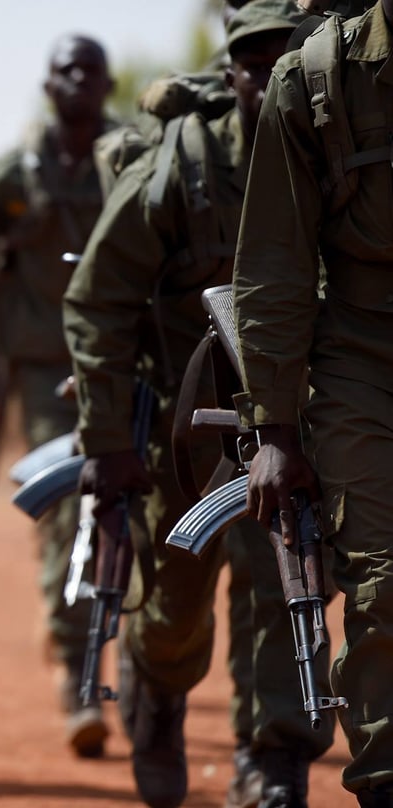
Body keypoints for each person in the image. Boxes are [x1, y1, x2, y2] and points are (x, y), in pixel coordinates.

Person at [63, 3, 333, 807]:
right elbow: (96, 301)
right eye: (255, 63)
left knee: (282, 583)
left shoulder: (336, 154)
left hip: (291, 419)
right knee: (173, 606)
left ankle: (271, 761)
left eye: (288, 58)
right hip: (183, 430)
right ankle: (157, 696)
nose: (272, 75)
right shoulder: (182, 166)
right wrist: (108, 440)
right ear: (231, 75)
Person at [0, 33, 115, 758]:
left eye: (89, 71)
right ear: (47, 86)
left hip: (127, 373)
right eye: (63, 70)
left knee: (135, 521)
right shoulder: (11, 178)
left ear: (105, 87)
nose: (76, 82)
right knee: (67, 518)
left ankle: (136, 668)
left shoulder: (129, 163)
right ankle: (79, 677)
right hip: (43, 379)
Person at [233, 0, 393, 804]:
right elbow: (273, 261)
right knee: (381, 579)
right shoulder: (314, 78)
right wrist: (273, 425)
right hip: (363, 355)